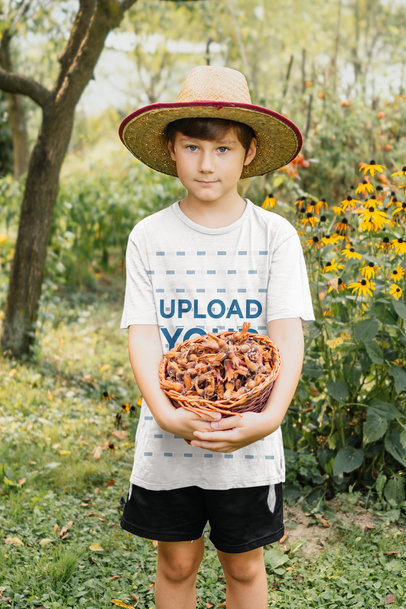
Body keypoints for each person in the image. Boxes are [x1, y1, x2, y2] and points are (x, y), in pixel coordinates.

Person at [119, 65, 314, 609]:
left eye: (224, 149)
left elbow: (286, 335)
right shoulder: (149, 237)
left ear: (249, 152)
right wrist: (164, 411)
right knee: (176, 560)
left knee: (246, 565)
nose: (207, 164)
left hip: (250, 437)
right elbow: (143, 334)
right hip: (167, 435)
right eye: (193, 147)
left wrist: (269, 418)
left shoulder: (275, 237)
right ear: (171, 147)